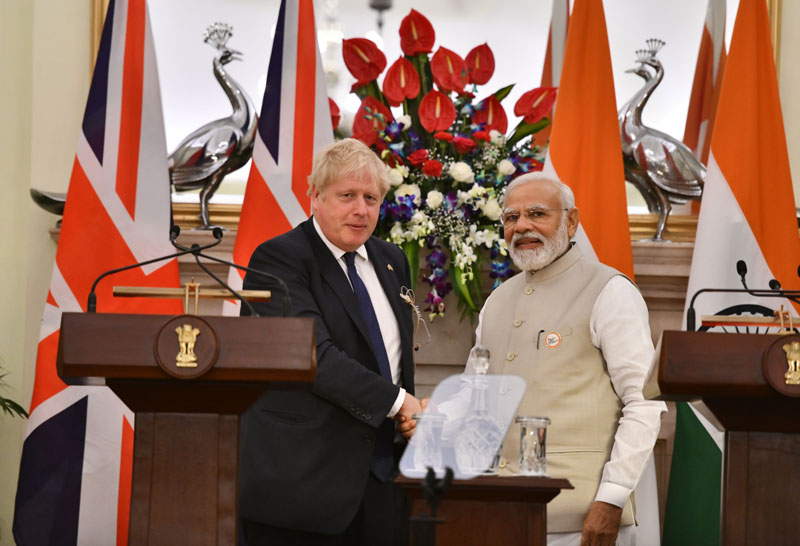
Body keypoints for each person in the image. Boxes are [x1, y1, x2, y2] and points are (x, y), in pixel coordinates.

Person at [238, 138, 425, 546]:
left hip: (383, 485)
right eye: (347, 196)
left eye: (371, 198)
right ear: (315, 197)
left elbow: (393, 359)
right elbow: (311, 355)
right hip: (301, 489)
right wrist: (400, 403)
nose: (361, 209)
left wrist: (409, 416)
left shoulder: (393, 260)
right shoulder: (279, 259)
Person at [469, 172, 666, 546]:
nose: (522, 226)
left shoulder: (610, 290)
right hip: (501, 513)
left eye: (537, 213)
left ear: (571, 221)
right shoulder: (496, 301)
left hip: (583, 520)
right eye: (511, 217)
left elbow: (644, 404)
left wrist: (612, 496)